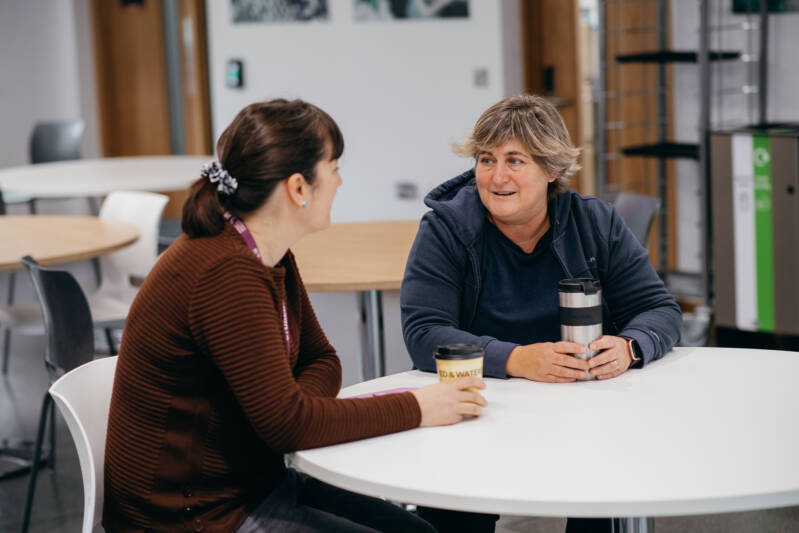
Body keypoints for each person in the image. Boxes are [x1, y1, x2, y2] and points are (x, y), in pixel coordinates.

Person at [103, 98, 486, 533]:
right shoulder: (226, 272)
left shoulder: (268, 253)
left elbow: (321, 360)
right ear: (299, 188)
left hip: (250, 484)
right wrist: (417, 407)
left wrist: (295, 409)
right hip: (191, 516)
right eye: (334, 167)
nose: (340, 181)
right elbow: (289, 426)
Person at [400, 94, 682, 533]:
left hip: (583, 409)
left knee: (600, 502)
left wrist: (630, 346)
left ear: (551, 170)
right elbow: (423, 332)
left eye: (515, 160)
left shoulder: (596, 224)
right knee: (449, 517)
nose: (496, 177)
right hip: (482, 405)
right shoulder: (446, 229)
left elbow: (658, 308)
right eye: (486, 159)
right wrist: (516, 359)